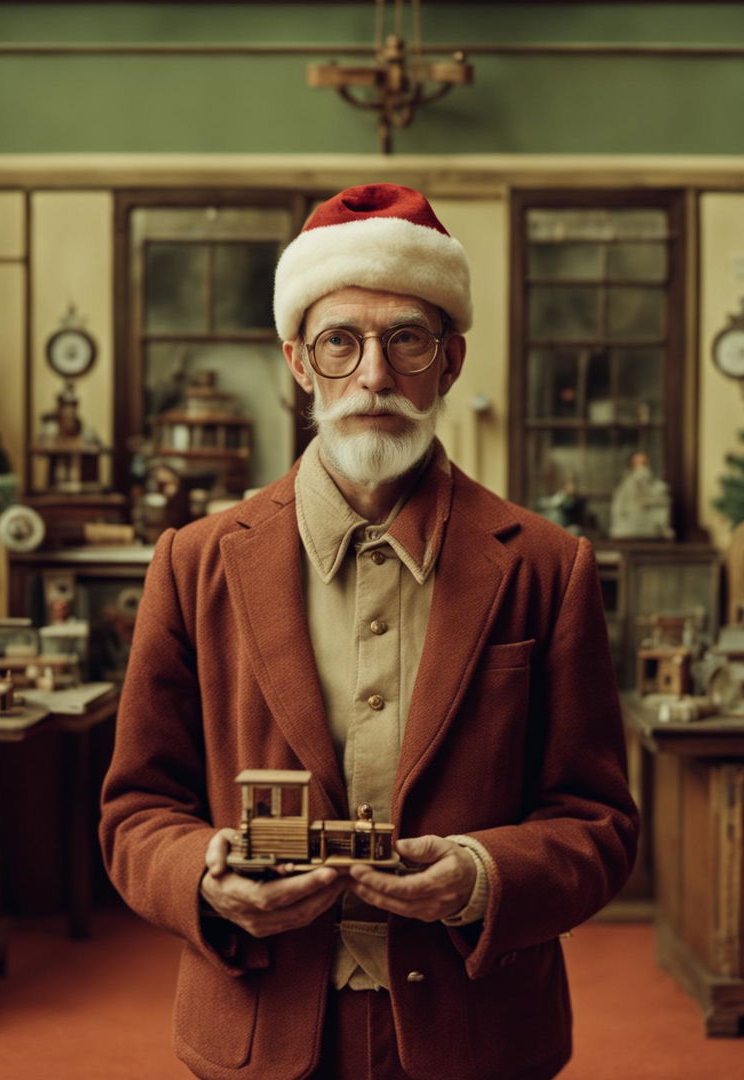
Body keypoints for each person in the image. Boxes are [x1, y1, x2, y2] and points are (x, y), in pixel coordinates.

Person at [99, 184, 639, 1080]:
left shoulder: (547, 566)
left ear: (451, 362)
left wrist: (481, 875)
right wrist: (203, 877)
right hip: (259, 1024)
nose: (375, 376)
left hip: (478, 1030)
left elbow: (599, 824)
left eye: (408, 341)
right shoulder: (193, 564)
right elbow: (134, 814)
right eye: (340, 342)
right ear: (300, 364)